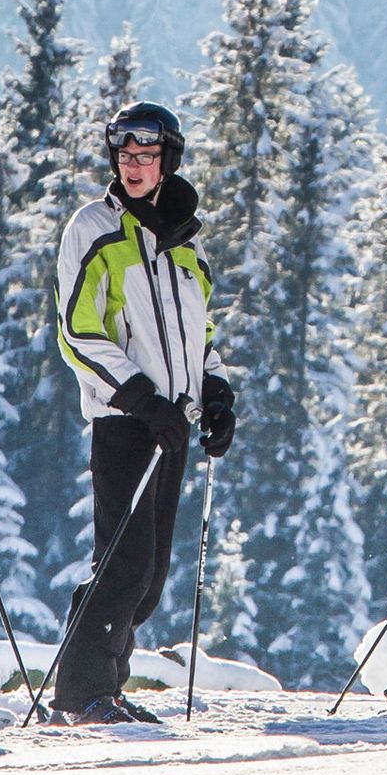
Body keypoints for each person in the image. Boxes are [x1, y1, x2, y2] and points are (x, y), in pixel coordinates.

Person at [52, 101, 234, 725]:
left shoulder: (186, 250)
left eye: (146, 156)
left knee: (149, 576)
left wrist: (215, 393)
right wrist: (140, 398)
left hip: (172, 425)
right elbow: (77, 330)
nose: (133, 166)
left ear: (167, 162)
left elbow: (199, 338)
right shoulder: (95, 228)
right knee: (123, 561)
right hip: (126, 420)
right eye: (125, 156)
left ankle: (107, 687)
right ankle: (82, 693)